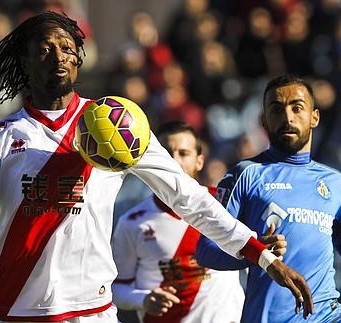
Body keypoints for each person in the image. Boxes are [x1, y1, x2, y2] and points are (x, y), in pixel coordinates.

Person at [0, 12, 313, 323]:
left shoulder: (117, 124)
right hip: (16, 311)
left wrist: (262, 256)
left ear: (79, 59)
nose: (58, 56)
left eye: (67, 48)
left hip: (93, 313)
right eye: (45, 48)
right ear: (25, 61)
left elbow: (187, 195)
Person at [196, 74, 341, 323]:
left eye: (297, 108)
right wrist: (256, 252)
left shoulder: (335, 181)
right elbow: (205, 251)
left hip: (328, 315)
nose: (287, 117)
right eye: (276, 110)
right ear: (264, 121)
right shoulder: (243, 175)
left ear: (314, 117)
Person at [113, 121, 287, 322]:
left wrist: (269, 247)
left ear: (200, 161)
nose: (174, 161)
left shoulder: (227, 205)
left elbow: (258, 255)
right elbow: (116, 288)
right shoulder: (132, 222)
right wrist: (143, 299)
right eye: (167, 153)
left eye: (184, 153)